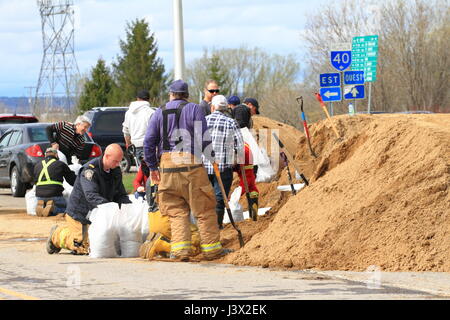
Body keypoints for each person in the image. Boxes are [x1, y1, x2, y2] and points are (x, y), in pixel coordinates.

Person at [143, 79, 231, 262]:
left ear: (171, 94)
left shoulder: (159, 112)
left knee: (176, 211)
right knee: (204, 208)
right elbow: (203, 137)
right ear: (187, 95)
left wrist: (152, 167)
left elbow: (149, 142)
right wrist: (210, 156)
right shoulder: (194, 109)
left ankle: (181, 251)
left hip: (166, 167)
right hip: (190, 164)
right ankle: (212, 250)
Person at [46, 144, 132, 255]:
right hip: (80, 213)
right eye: (115, 161)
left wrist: (129, 208)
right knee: (83, 246)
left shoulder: (115, 171)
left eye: (119, 161)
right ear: (106, 156)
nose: (118, 164)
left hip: (99, 214)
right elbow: (91, 195)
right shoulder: (90, 170)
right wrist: (110, 207)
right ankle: (57, 235)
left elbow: (120, 194)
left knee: (106, 242)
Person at [204, 95, 244, 229]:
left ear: (212, 107)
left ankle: (205, 229)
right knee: (219, 199)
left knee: (205, 198)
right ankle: (217, 227)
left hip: (204, 167)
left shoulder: (203, 121)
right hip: (224, 168)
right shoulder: (231, 123)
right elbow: (240, 146)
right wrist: (238, 161)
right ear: (226, 108)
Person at [33, 148, 76, 217]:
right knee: (66, 210)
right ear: (56, 155)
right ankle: (53, 209)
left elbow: (34, 181)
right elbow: (71, 180)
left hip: (39, 195)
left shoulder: (37, 165)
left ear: (45, 155)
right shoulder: (60, 164)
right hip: (55, 194)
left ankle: (43, 206)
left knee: (47, 204)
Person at [122, 89, 155, 165]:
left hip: (135, 147)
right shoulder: (151, 112)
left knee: (141, 172)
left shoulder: (128, 113)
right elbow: (155, 131)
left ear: (137, 98)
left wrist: (129, 145)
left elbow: (126, 132)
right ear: (148, 99)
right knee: (151, 174)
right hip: (148, 146)